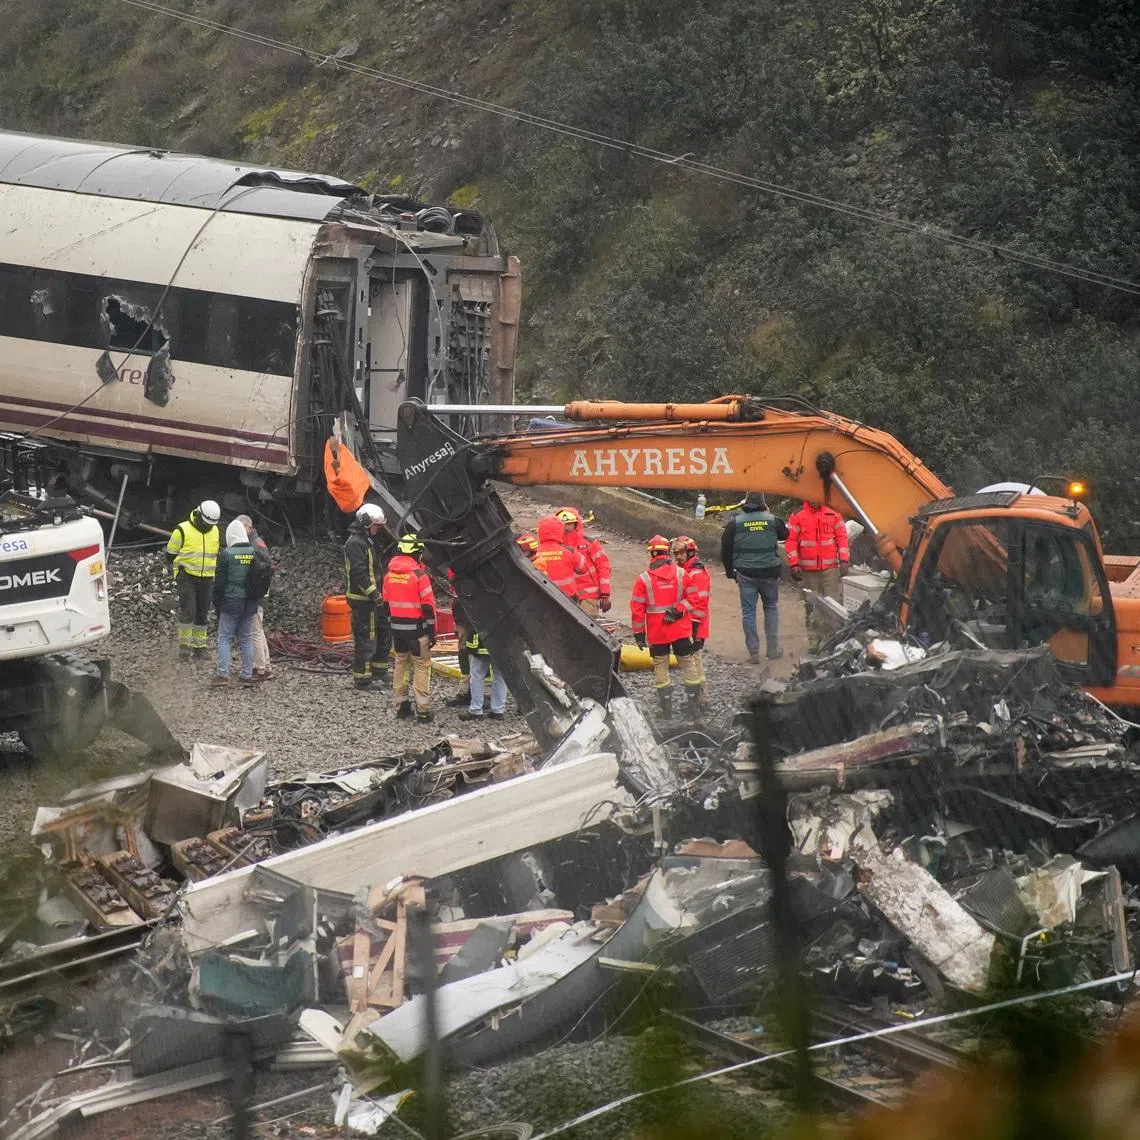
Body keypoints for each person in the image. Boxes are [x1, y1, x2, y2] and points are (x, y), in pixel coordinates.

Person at [630, 535, 702, 718]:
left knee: (661, 668)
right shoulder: (681, 574)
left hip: (657, 633)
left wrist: (639, 634)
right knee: (688, 666)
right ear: (667, 552)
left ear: (652, 554)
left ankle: (666, 711)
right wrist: (678, 611)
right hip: (680, 629)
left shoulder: (643, 579)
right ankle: (694, 707)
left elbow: (637, 610)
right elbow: (694, 598)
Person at [720, 493, 788, 664]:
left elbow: (725, 549)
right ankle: (772, 650)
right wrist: (769, 513)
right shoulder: (773, 520)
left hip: (746, 573)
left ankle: (754, 653)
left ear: (746, 503)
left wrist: (730, 571)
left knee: (749, 613)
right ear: (763, 504)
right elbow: (785, 535)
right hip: (769, 573)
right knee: (771, 608)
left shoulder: (735, 523)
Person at [382, 533, 436, 723]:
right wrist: (432, 632)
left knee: (400, 665)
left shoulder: (389, 575)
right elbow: (428, 608)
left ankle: (402, 707)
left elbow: (386, 604)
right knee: (422, 667)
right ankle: (423, 711)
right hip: (417, 632)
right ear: (417, 553)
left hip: (397, 631)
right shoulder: (419, 576)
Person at [787, 498, 850, 648]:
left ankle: (832, 641)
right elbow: (791, 541)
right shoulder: (798, 516)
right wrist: (794, 564)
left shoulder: (833, 514)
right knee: (811, 606)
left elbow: (842, 538)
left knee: (834, 605)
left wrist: (844, 560)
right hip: (808, 572)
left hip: (830, 569)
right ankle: (814, 642)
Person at [343, 503, 393, 690]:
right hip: (363, 600)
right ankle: (362, 679)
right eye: (376, 526)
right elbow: (358, 573)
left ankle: (379, 670)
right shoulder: (355, 543)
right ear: (365, 523)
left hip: (375, 599)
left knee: (382, 632)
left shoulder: (368, 541)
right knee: (366, 637)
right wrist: (374, 593)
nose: (378, 529)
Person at [165, 499, 221, 658]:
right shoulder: (182, 530)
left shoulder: (215, 531)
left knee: (203, 612)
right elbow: (170, 554)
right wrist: (182, 569)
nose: (208, 527)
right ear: (198, 515)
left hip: (207, 577)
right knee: (189, 610)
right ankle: (185, 646)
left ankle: (200, 647)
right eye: (205, 524)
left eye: (210, 525)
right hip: (187, 576)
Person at [211, 519, 258, 687]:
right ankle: (246, 675)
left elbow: (219, 583)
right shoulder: (253, 552)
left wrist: (217, 602)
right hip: (249, 602)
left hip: (230, 601)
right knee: (246, 638)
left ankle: (223, 674)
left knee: (224, 637)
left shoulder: (227, 554)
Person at [673, 535, 711, 707]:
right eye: (676, 554)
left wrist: (694, 631)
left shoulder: (697, 574)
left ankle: (701, 699)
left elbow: (700, 606)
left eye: (681, 554)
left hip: (695, 627)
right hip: (689, 626)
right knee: (694, 661)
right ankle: (701, 698)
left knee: (694, 661)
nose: (678, 557)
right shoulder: (687, 571)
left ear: (690, 553)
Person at [556, 507, 612, 617]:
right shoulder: (555, 546)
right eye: (563, 525)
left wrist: (605, 594)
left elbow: (603, 567)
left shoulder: (589, 543)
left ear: (576, 524)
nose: (567, 528)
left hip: (588, 596)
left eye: (570, 524)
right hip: (565, 596)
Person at [236, 514, 272, 681]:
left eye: (241, 527)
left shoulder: (254, 546)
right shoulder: (257, 543)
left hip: (257, 595)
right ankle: (266, 665)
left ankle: (260, 669)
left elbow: (261, 573)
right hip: (260, 594)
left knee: (254, 631)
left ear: (249, 527)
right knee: (258, 631)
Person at [532, 515, 587, 600]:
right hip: (569, 598)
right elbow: (583, 568)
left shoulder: (535, 553)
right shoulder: (570, 551)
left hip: (544, 596)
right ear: (560, 531)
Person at [458, 628, 507, 721]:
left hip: (481, 644)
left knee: (477, 675)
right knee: (500, 677)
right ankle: (498, 711)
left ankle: (476, 710)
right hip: (502, 643)